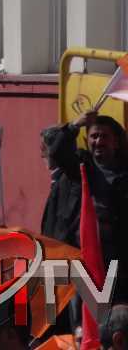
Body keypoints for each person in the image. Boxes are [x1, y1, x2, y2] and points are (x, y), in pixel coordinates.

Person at [44, 111, 128, 302]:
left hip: (115, 261)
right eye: (94, 136)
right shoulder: (81, 167)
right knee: (79, 310)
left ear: (116, 142)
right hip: (78, 258)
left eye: (104, 136)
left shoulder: (124, 174)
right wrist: (75, 125)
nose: (98, 141)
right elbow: (57, 152)